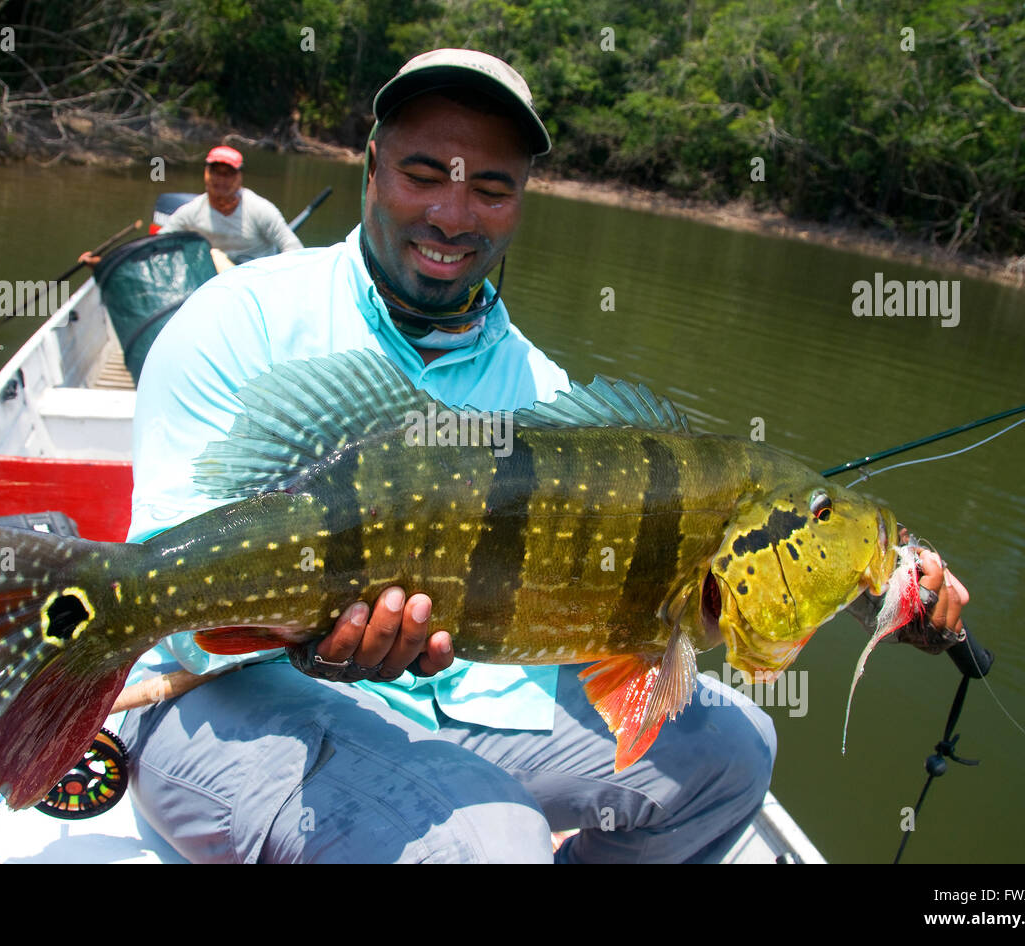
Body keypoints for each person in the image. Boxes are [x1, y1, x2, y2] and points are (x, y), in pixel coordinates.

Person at [119, 49, 777, 863]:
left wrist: (876, 581)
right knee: (492, 840)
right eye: (424, 174)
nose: (454, 214)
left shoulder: (541, 392)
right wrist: (305, 634)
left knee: (735, 749)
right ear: (369, 167)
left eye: (491, 188)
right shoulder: (239, 319)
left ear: (521, 203)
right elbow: (177, 608)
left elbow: (703, 564)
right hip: (220, 694)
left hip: (465, 703)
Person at [77, 145, 302, 267]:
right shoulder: (191, 212)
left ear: (240, 177)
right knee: (208, 256)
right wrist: (104, 262)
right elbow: (154, 246)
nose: (221, 180)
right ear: (205, 174)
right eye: (215, 172)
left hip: (254, 281)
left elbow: (293, 248)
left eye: (229, 173)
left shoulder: (260, 209)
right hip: (212, 282)